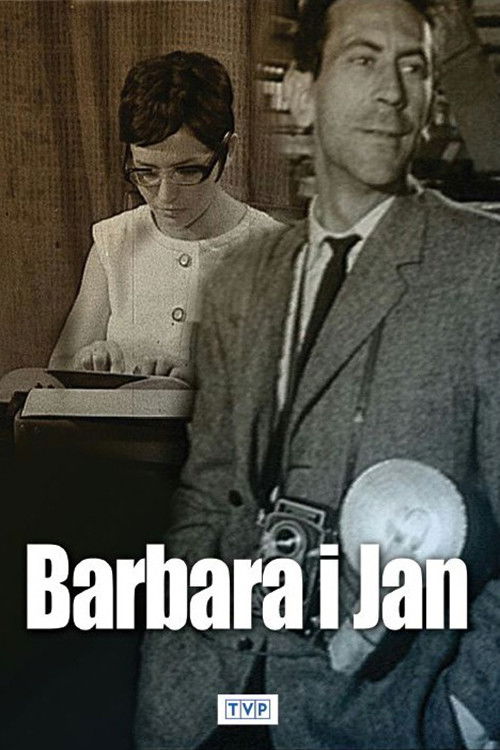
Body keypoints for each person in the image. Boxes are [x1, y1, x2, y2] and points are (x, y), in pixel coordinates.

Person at [135, 1, 500, 748]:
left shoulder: (482, 270)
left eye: (414, 66)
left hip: (374, 718)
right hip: (215, 705)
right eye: (364, 59)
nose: (393, 91)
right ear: (302, 91)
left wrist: (466, 713)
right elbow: (210, 490)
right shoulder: (242, 278)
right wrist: (170, 666)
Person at [49, 51, 280, 378]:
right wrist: (88, 362)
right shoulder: (114, 242)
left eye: (187, 171)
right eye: (146, 172)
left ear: (228, 151)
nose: (165, 196)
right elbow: (59, 369)